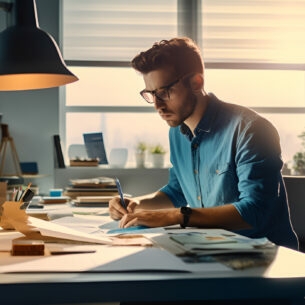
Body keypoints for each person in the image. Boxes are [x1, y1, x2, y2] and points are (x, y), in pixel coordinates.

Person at [109, 37, 298, 250]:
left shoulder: (251, 130)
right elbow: (176, 191)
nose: (157, 105)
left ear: (196, 83)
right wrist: (138, 205)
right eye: (151, 94)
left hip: (265, 258)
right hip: (212, 250)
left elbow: (255, 211)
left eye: (164, 92)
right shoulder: (177, 132)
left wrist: (175, 216)